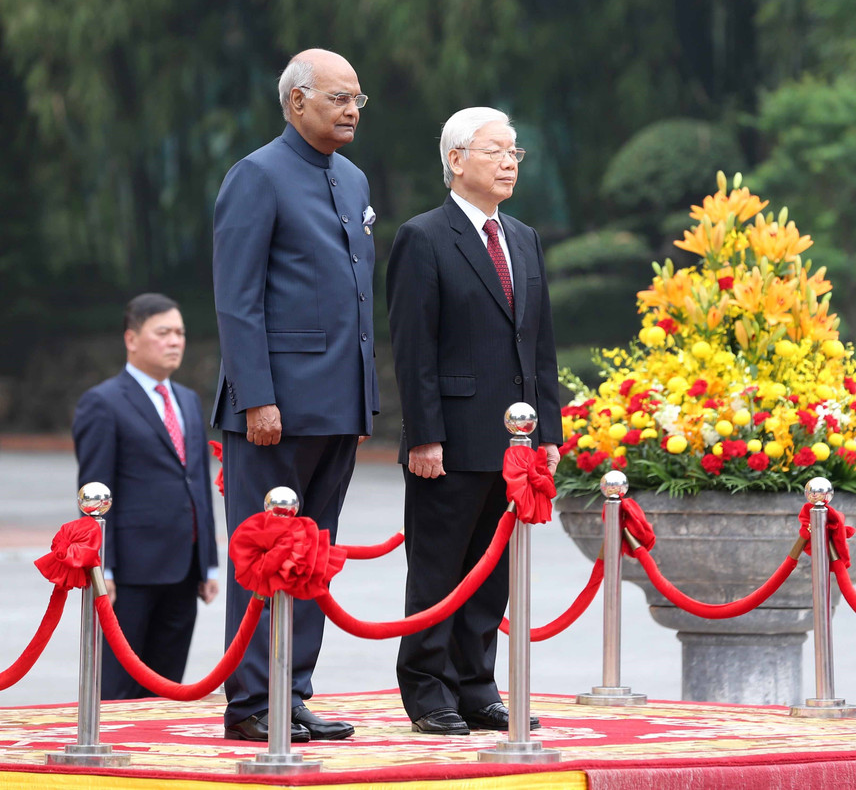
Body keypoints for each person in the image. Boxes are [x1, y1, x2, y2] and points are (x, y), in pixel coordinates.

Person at [211, 48, 377, 742]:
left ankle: (293, 691)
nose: (350, 110)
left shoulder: (352, 177)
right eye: (337, 98)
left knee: (314, 552)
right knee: (262, 550)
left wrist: (363, 397)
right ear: (295, 102)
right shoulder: (257, 175)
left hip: (338, 400)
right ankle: (252, 701)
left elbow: (358, 297)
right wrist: (257, 397)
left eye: (357, 100)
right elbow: (238, 297)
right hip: (274, 406)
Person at [386, 107, 563, 735]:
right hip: (451, 438)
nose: (510, 162)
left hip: (514, 443)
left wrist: (548, 434)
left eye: (515, 152)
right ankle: (427, 688)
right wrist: (425, 435)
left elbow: (539, 345)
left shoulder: (522, 236)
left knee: (492, 573)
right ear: (456, 160)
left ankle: (476, 685)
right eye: (495, 151)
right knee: (439, 568)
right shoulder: (424, 237)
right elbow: (413, 349)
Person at [72, 293, 219, 700]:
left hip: (184, 567)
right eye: (163, 333)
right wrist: (105, 569)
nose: (175, 341)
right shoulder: (103, 403)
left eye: (180, 333)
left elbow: (197, 485)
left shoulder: (187, 400)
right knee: (120, 687)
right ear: (132, 339)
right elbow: (94, 496)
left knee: (166, 687)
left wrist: (208, 562)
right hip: (130, 572)